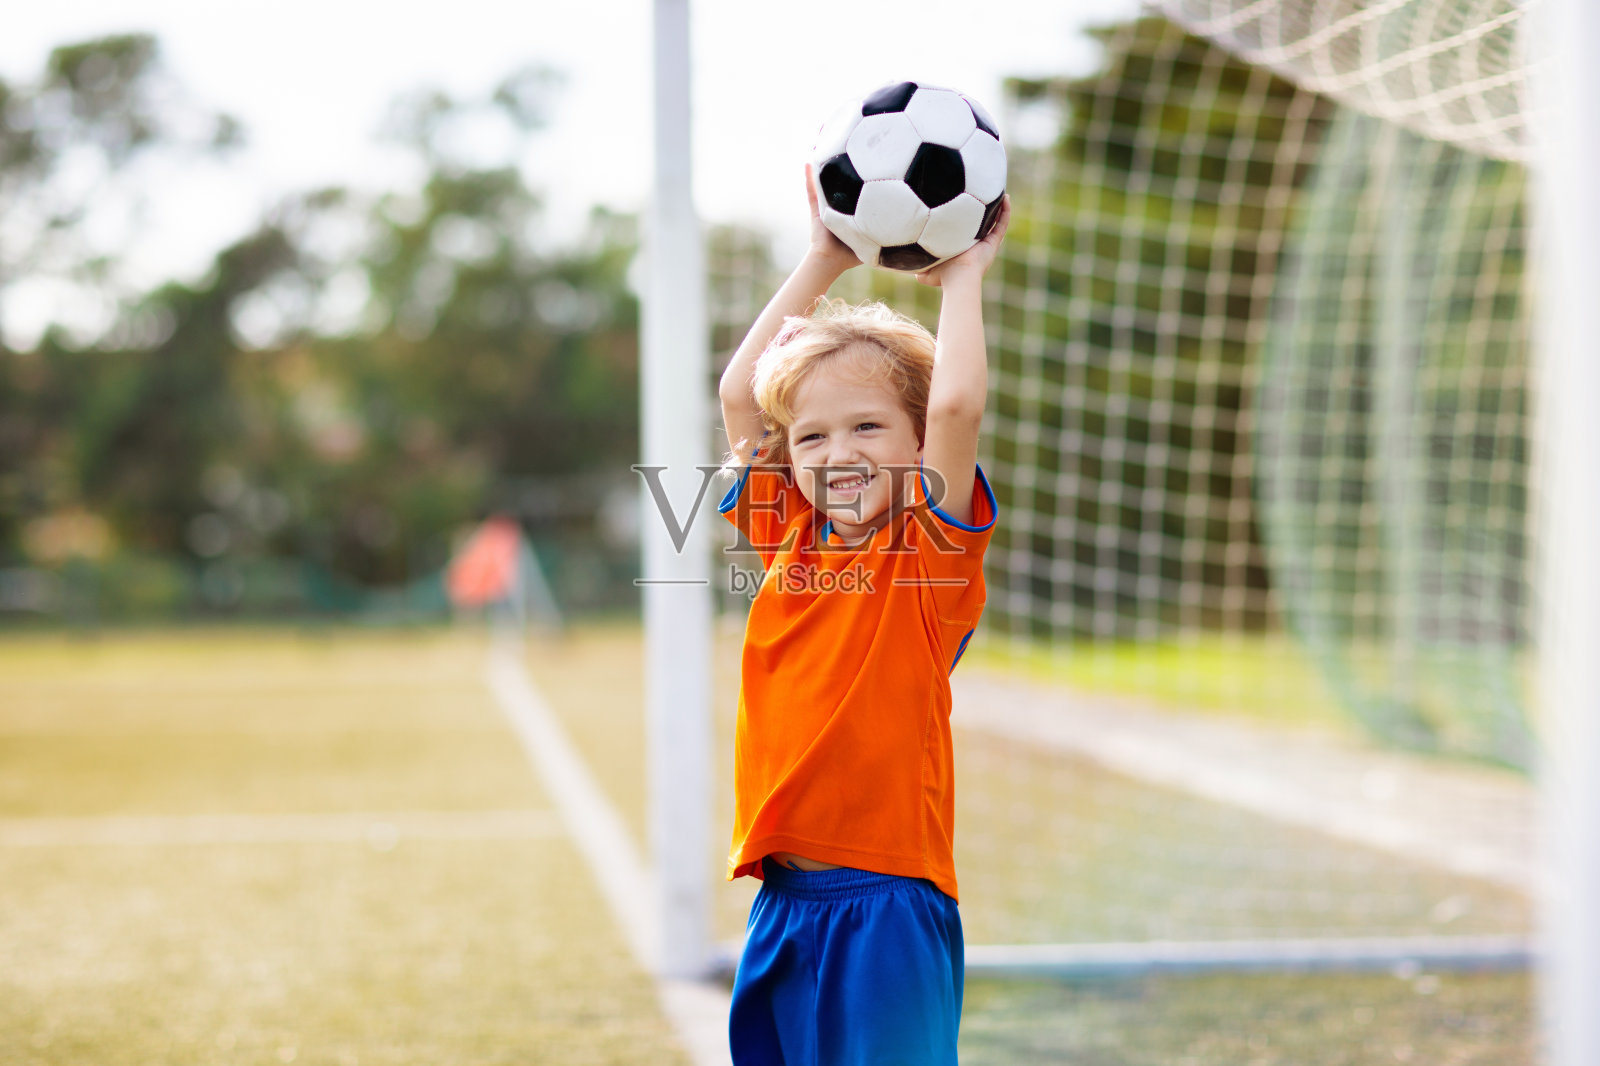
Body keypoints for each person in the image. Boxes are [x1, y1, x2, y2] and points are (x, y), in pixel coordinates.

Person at [715, 166, 1010, 1065]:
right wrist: (821, 260)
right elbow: (739, 395)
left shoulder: (927, 557)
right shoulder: (792, 541)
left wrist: (964, 279)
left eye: (869, 428)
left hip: (887, 901)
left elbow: (958, 401)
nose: (837, 453)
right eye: (812, 436)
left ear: (920, 444)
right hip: (785, 903)